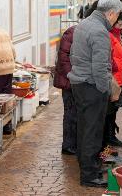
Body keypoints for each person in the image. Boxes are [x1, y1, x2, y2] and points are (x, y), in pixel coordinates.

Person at [68, 0, 122, 187]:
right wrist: (105, 91)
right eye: (117, 16)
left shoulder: (84, 24)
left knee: (85, 128)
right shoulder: (100, 31)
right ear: (110, 13)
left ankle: (88, 166)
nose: (116, 20)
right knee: (92, 131)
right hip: (91, 86)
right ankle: (89, 175)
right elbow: (101, 68)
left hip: (79, 84)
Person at [103, 9, 122, 148]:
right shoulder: (109, 35)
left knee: (112, 111)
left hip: (118, 78)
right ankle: (107, 141)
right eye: (121, 24)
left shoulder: (118, 35)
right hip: (112, 80)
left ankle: (110, 137)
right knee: (108, 112)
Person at [53, 26, 77, 156]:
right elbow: (63, 57)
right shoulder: (72, 32)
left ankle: (73, 144)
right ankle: (68, 146)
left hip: (74, 80)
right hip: (69, 82)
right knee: (70, 113)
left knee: (74, 113)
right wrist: (72, 75)